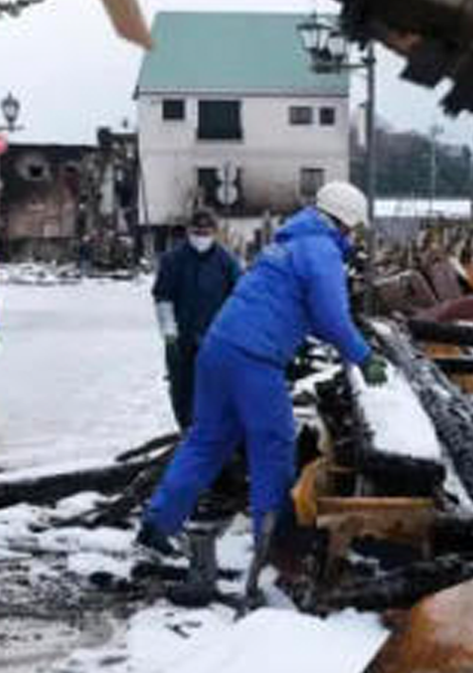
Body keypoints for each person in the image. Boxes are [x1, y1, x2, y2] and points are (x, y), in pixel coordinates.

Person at [138, 182, 388, 555]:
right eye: (354, 229)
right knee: (273, 442)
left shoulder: (287, 242)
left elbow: (308, 313)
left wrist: (320, 336)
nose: (353, 236)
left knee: (206, 441)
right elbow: (332, 317)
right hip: (253, 359)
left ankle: (158, 524)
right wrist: (363, 356)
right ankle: (274, 540)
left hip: (217, 348)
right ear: (346, 221)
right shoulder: (321, 251)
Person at [151, 210, 241, 429]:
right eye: (197, 231)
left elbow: (239, 299)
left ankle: (212, 434)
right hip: (181, 339)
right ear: (189, 232)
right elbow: (163, 297)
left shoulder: (226, 262)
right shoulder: (173, 260)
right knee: (182, 389)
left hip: (216, 339)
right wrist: (169, 331)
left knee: (215, 389)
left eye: (206, 231)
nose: (201, 236)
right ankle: (186, 430)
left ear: (214, 232)